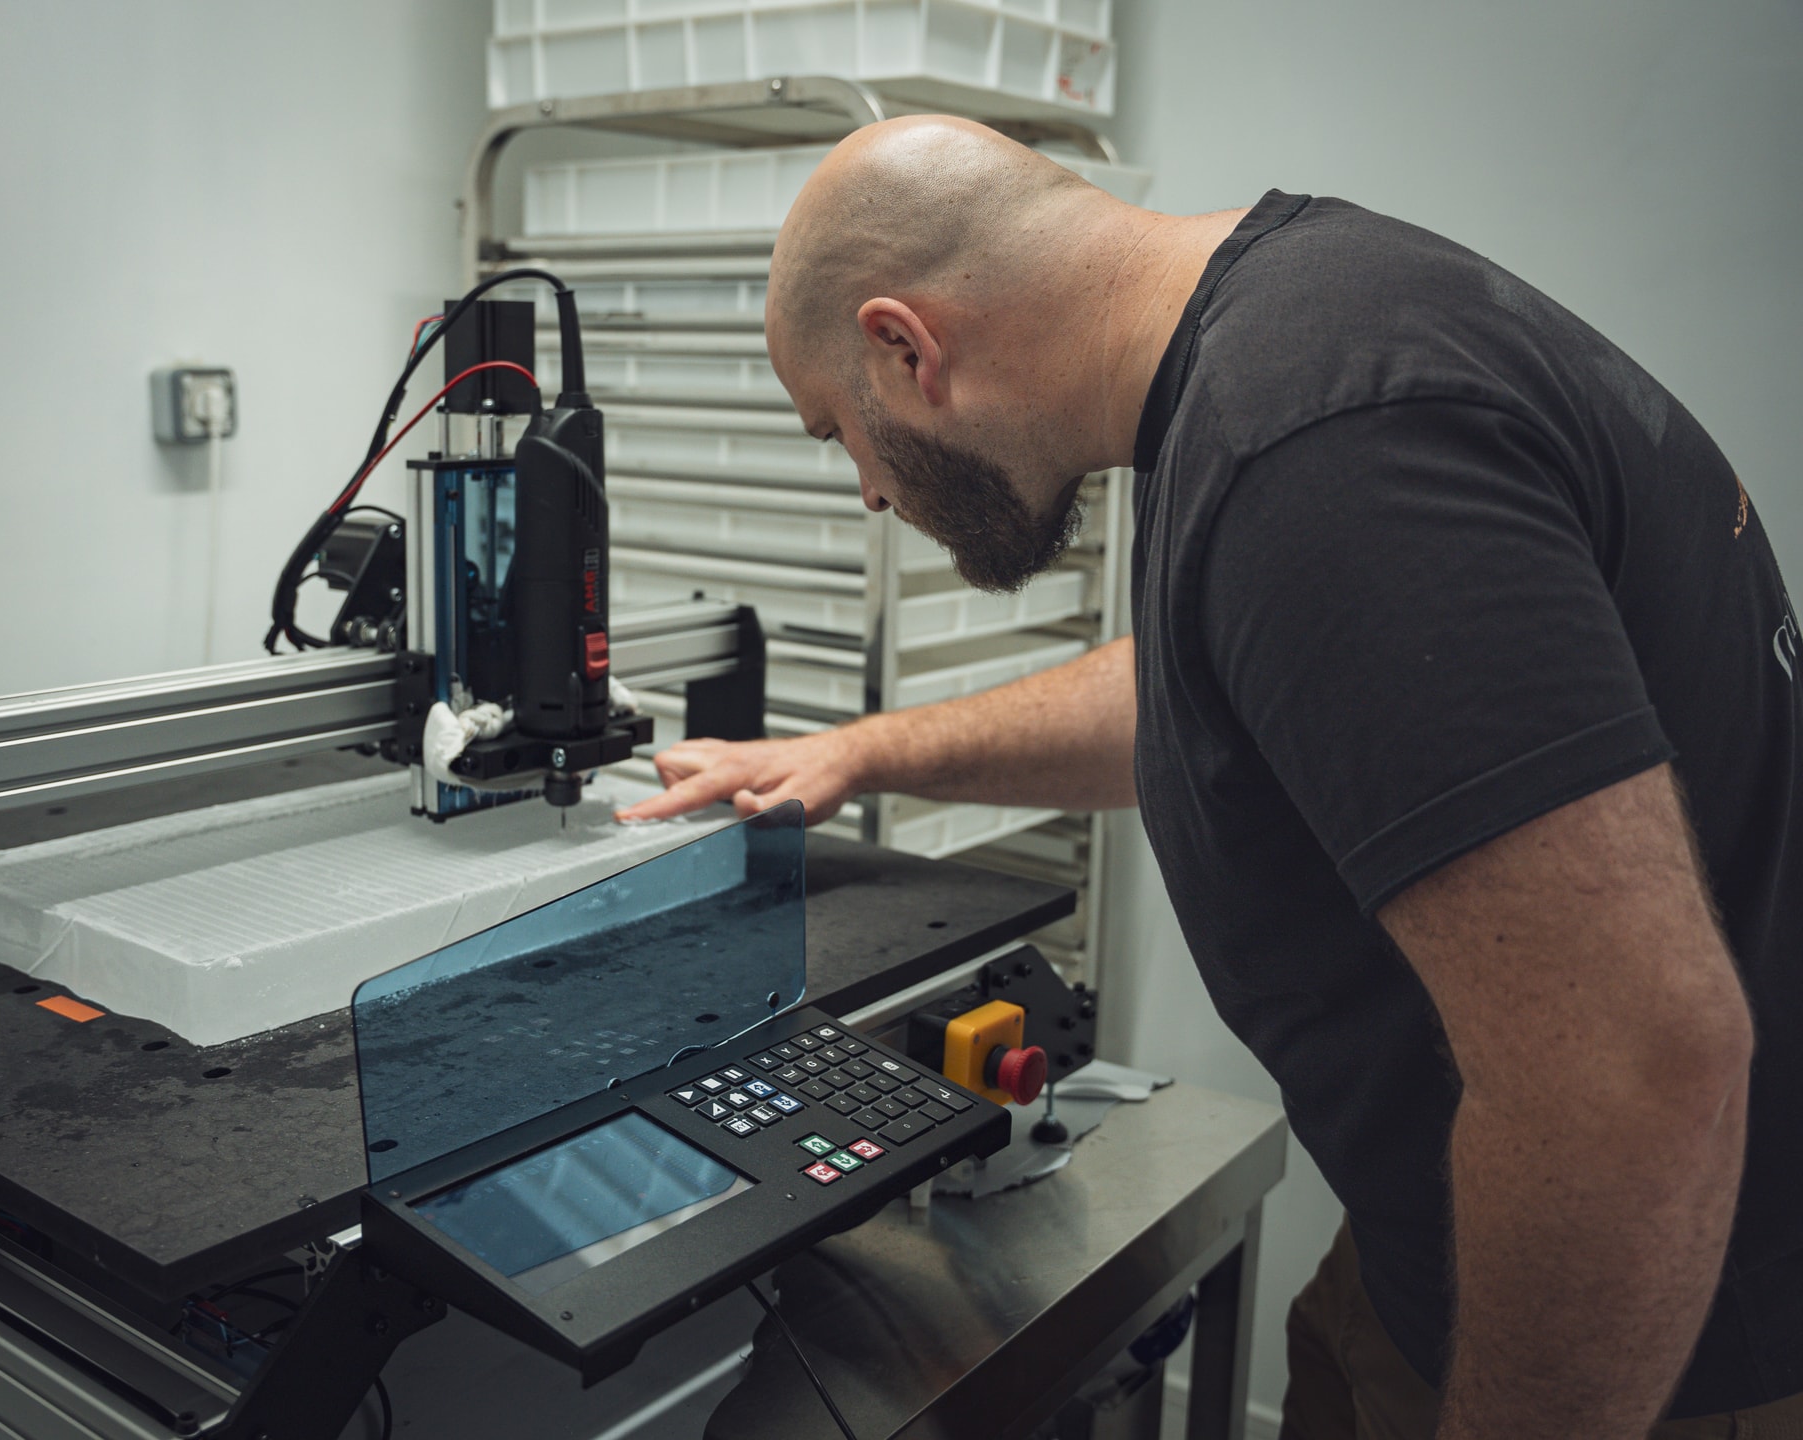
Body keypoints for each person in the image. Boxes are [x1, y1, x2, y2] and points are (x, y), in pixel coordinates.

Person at [615, 116, 1802, 1438]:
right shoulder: (1286, 339)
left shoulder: (1313, 440)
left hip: (1654, 1350)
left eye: (840, 433)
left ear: (907, 347)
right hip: (1440, 1257)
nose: (871, 497)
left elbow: (1637, 1070)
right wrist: (859, 749)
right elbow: (1217, 689)